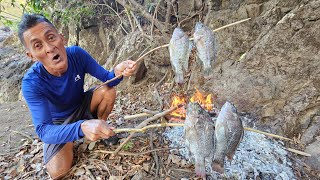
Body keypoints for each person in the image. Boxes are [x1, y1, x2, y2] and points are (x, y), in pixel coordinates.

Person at [18, 13, 137, 179]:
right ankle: (75, 137)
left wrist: (119, 71)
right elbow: (44, 131)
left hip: (81, 106)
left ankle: (100, 129)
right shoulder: (31, 83)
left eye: (51, 37)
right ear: (31, 56)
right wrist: (79, 128)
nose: (49, 48)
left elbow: (109, 80)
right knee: (58, 171)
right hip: (59, 124)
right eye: (37, 46)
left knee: (107, 91)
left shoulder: (77, 55)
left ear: (62, 38)